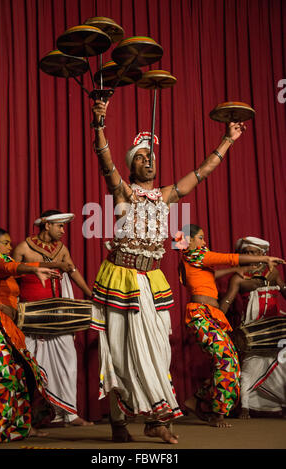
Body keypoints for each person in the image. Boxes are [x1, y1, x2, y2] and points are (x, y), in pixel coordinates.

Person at [90, 99, 247, 443]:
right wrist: (99, 124)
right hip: (120, 279)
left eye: (152, 158)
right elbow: (105, 162)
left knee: (158, 350)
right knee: (119, 351)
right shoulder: (124, 193)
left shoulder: (166, 195)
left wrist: (228, 140)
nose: (149, 162)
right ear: (132, 167)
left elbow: (202, 173)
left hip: (152, 282)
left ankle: (154, 417)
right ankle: (120, 421)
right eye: (142, 158)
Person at [176, 225, 285, 428]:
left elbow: (211, 275)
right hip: (201, 314)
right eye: (200, 238)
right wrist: (263, 259)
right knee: (226, 360)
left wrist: (233, 270)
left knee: (231, 362)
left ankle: (195, 400)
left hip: (211, 315)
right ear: (189, 241)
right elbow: (230, 257)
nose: (204, 242)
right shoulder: (196, 254)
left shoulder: (193, 259)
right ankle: (219, 413)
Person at [0, 227, 70, 443]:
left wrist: (52, 266)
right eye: (5, 243)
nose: (10, 247)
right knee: (3, 373)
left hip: (6, 326)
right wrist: (35, 270)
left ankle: (19, 426)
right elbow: (11, 266)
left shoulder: (3, 262)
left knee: (21, 375)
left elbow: (20, 267)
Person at [12, 210, 93, 426]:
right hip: (31, 317)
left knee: (68, 360)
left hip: (59, 315)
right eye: (60, 226)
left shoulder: (61, 249)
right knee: (29, 366)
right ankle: (25, 419)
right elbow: (10, 273)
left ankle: (69, 414)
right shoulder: (23, 248)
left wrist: (89, 293)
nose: (63, 231)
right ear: (47, 225)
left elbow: (73, 271)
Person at [219, 236, 286, 419]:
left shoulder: (274, 273)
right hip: (252, 329)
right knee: (248, 369)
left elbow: (284, 291)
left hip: (274, 328)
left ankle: (281, 404)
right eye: (246, 252)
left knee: (282, 367)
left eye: (253, 252)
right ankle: (245, 407)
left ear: (262, 254)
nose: (249, 255)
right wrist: (215, 319)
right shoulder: (239, 277)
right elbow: (228, 301)